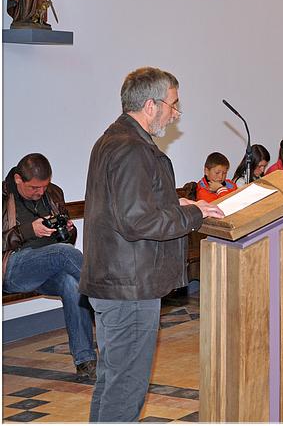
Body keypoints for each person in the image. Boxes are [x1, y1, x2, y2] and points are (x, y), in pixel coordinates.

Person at [80, 67, 224, 422]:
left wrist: (180, 205)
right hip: (129, 288)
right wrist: (193, 217)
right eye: (173, 105)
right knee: (126, 388)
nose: (175, 114)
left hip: (120, 281)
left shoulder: (114, 140)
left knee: (113, 382)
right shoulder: (131, 149)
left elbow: (132, 207)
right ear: (150, 105)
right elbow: (137, 221)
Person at [3, 153, 97, 378]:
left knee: (71, 284)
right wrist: (27, 231)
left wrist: (68, 229)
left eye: (44, 186)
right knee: (64, 254)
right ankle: (105, 295)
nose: (40, 192)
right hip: (13, 266)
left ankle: (85, 360)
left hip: (47, 266)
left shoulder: (53, 194)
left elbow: (64, 240)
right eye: (34, 187)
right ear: (18, 179)